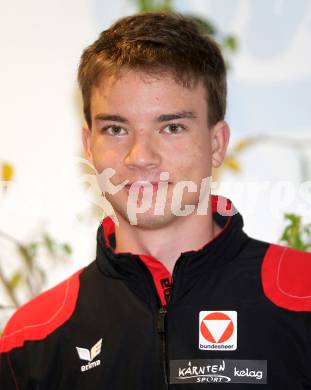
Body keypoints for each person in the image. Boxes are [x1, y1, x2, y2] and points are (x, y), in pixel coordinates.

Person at [0, 11, 310, 390]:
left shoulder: (303, 296)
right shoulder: (32, 339)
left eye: (171, 127)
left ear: (216, 144)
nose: (140, 156)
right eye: (116, 129)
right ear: (88, 145)